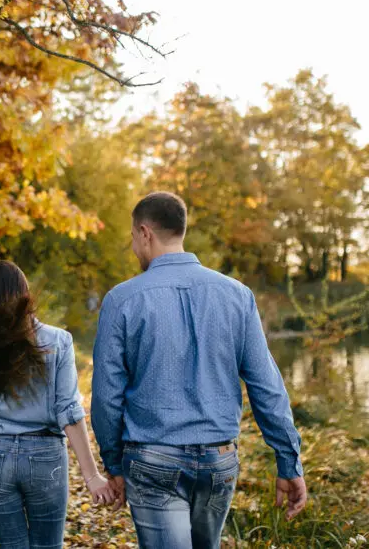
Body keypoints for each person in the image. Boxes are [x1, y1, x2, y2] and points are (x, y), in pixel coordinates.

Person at [91, 192, 308, 549]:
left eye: (132, 237)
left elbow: (105, 396)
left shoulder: (122, 299)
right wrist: (289, 461)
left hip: (151, 459)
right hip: (218, 460)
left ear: (145, 232)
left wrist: (113, 464)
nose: (133, 247)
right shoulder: (237, 295)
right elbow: (266, 385)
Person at [0, 260, 115, 548]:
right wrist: (91, 476)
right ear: (24, 293)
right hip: (45, 457)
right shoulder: (58, 341)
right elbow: (69, 411)